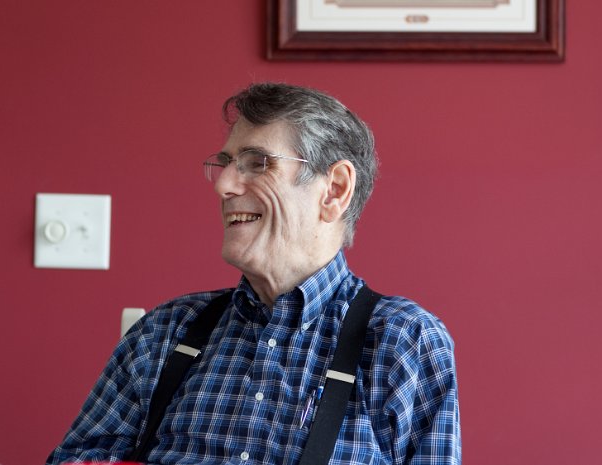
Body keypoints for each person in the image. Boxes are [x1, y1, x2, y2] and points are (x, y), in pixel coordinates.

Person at [46, 82, 461, 465]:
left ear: (334, 190)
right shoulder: (165, 332)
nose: (223, 185)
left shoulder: (404, 342)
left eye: (257, 163)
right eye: (226, 163)